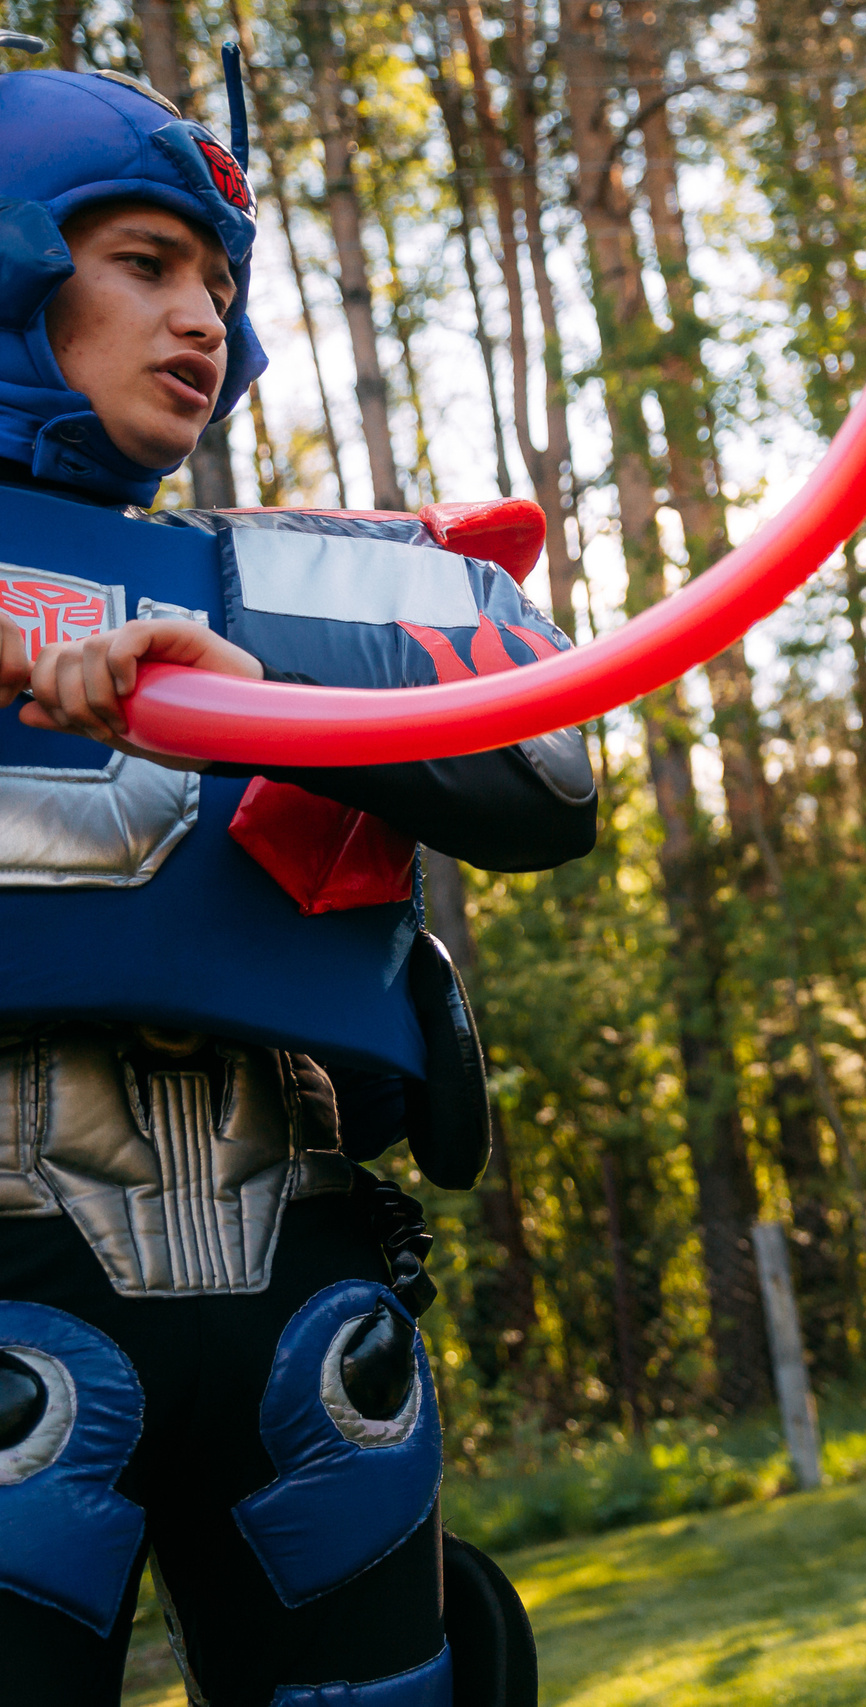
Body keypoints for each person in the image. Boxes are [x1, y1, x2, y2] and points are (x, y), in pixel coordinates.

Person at [0, 47, 590, 1707]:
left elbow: (546, 765)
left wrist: (242, 680)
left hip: (305, 1291)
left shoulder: (316, 575)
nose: (203, 319)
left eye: (217, 280)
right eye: (143, 262)